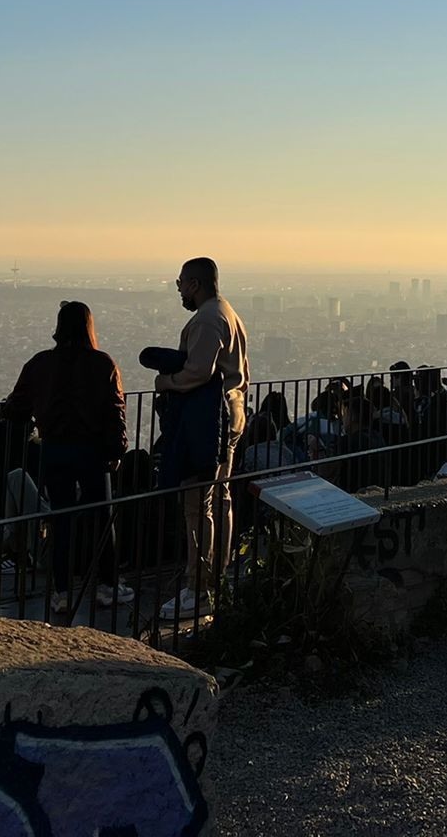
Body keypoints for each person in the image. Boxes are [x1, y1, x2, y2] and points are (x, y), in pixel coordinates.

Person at [2, 300, 132, 614]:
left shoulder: (40, 364)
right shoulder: (102, 364)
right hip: (93, 452)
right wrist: (117, 451)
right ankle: (106, 586)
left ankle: (60, 592)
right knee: (101, 518)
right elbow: (115, 412)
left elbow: (17, 407)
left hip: (54, 450)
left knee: (61, 522)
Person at [155, 257, 250, 620]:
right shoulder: (229, 313)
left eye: (181, 283)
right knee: (219, 499)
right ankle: (217, 578)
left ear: (195, 284)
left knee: (198, 504)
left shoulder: (209, 319)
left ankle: (199, 588)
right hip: (231, 414)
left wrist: (166, 382)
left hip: (209, 421)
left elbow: (197, 371)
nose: (179, 289)